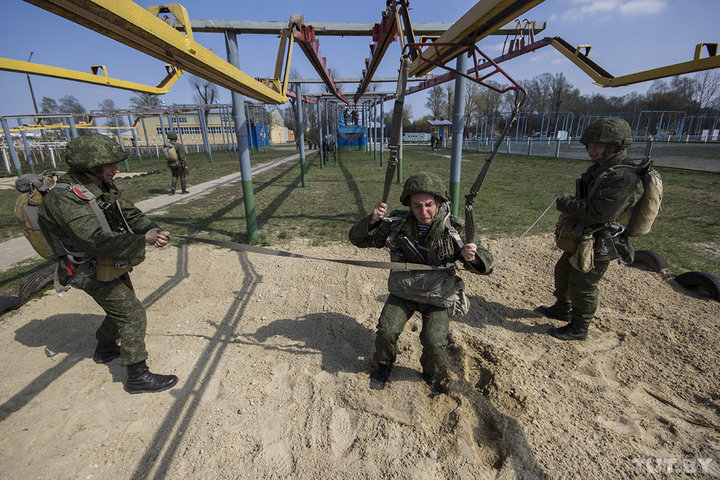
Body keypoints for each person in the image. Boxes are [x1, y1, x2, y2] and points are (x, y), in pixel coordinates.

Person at [38, 134, 179, 394]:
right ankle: (137, 376)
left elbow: (129, 212)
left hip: (105, 261)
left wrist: (153, 229)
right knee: (132, 313)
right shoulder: (64, 199)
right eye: (110, 165)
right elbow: (94, 240)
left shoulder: (100, 184)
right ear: (90, 166)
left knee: (125, 306)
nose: (116, 170)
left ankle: (105, 348)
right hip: (84, 268)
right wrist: (142, 240)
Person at [349, 172, 493, 396]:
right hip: (403, 292)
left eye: (429, 205)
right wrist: (372, 221)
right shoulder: (397, 224)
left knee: (435, 342)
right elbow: (360, 240)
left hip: (436, 297)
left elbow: (486, 263)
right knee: (386, 331)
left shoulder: (454, 229)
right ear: (409, 204)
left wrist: (471, 256)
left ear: (439, 202)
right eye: (417, 206)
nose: (423, 212)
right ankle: (383, 366)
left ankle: (430, 374)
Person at [536, 118, 644, 340]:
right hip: (584, 236)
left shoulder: (625, 177)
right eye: (588, 145)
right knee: (564, 271)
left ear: (615, 146)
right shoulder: (604, 170)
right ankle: (562, 308)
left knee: (582, 285)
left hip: (600, 242)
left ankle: (579, 327)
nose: (590, 150)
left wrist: (566, 204)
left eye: (596, 145)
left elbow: (600, 212)